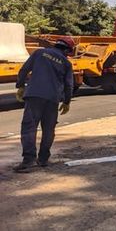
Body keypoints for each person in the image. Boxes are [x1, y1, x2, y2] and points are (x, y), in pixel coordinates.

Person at [13, 37, 75, 173]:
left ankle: (28, 160)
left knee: (29, 128)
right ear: (66, 50)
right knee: (48, 129)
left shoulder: (39, 53)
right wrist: (66, 102)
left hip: (34, 95)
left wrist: (20, 86)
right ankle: (43, 159)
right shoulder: (66, 63)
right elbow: (69, 85)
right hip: (52, 99)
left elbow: (24, 70)